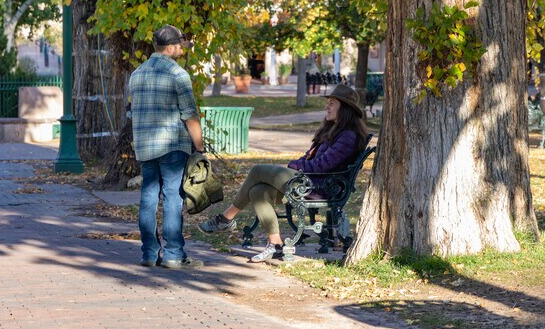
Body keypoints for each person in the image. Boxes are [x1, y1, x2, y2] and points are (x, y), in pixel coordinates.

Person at [198, 84, 369, 262]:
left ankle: (226, 218)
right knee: (258, 191)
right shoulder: (331, 131)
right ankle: (275, 245)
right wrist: (297, 165)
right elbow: (310, 159)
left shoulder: (348, 136)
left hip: (320, 187)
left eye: (332, 103)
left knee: (257, 170)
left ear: (346, 109)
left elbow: (322, 166)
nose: (327, 107)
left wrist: (293, 166)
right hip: (308, 181)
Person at [129, 25, 205, 269]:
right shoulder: (177, 74)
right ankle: (173, 254)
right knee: (173, 196)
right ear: (170, 47)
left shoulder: (137, 74)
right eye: (180, 46)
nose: (182, 50)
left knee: (148, 197)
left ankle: (149, 254)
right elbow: (190, 115)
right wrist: (200, 146)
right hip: (172, 145)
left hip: (145, 146)